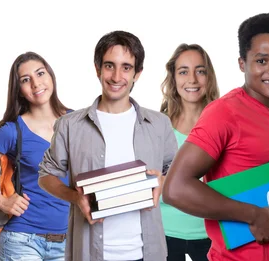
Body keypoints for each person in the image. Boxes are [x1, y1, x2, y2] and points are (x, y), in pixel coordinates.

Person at [162, 12, 269, 261]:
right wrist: (254, 215)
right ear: (242, 63)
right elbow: (175, 188)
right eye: (262, 61)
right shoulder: (224, 112)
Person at [38, 30, 177, 261]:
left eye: (126, 67)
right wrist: (75, 198)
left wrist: (161, 181)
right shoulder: (70, 125)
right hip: (90, 252)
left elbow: (177, 172)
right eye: (109, 66)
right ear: (97, 69)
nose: (116, 76)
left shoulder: (159, 124)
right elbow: (46, 176)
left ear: (137, 73)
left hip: (147, 253)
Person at [0, 52, 71, 261]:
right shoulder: (12, 131)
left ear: (51, 76)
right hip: (21, 240)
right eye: (25, 80)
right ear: (19, 90)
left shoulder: (75, 122)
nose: (35, 83)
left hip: (68, 242)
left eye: (40, 73)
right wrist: (2, 202)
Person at [159, 43, 220, 261]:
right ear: (173, 78)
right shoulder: (159, 126)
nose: (192, 79)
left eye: (200, 71)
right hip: (164, 236)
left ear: (209, 77)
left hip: (211, 237)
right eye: (183, 71)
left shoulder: (223, 125)